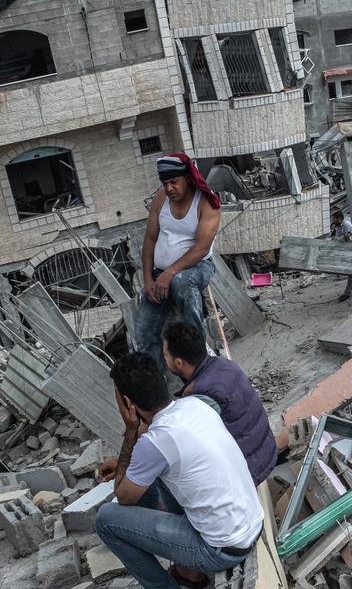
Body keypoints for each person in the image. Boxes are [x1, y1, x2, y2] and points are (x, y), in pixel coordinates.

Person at [95, 352, 263, 589]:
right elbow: (161, 443)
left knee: (105, 519)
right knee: (157, 473)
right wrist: (130, 457)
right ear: (162, 381)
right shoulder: (195, 405)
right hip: (251, 525)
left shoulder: (154, 442)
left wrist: (130, 432)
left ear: (128, 404)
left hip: (219, 550)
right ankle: (188, 571)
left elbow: (123, 496)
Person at [134, 154, 221, 373]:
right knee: (145, 332)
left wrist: (170, 273)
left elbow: (202, 248)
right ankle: (156, 384)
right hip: (159, 272)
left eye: (174, 182)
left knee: (181, 282)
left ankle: (198, 352)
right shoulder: (160, 199)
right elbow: (150, 239)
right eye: (165, 183)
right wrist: (148, 280)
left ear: (188, 179)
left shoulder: (206, 203)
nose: (169, 188)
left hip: (197, 268)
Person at [163, 321, 277, 485]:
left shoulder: (203, 395)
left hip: (251, 471)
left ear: (179, 363)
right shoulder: (223, 364)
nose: (164, 357)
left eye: (165, 354)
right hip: (266, 450)